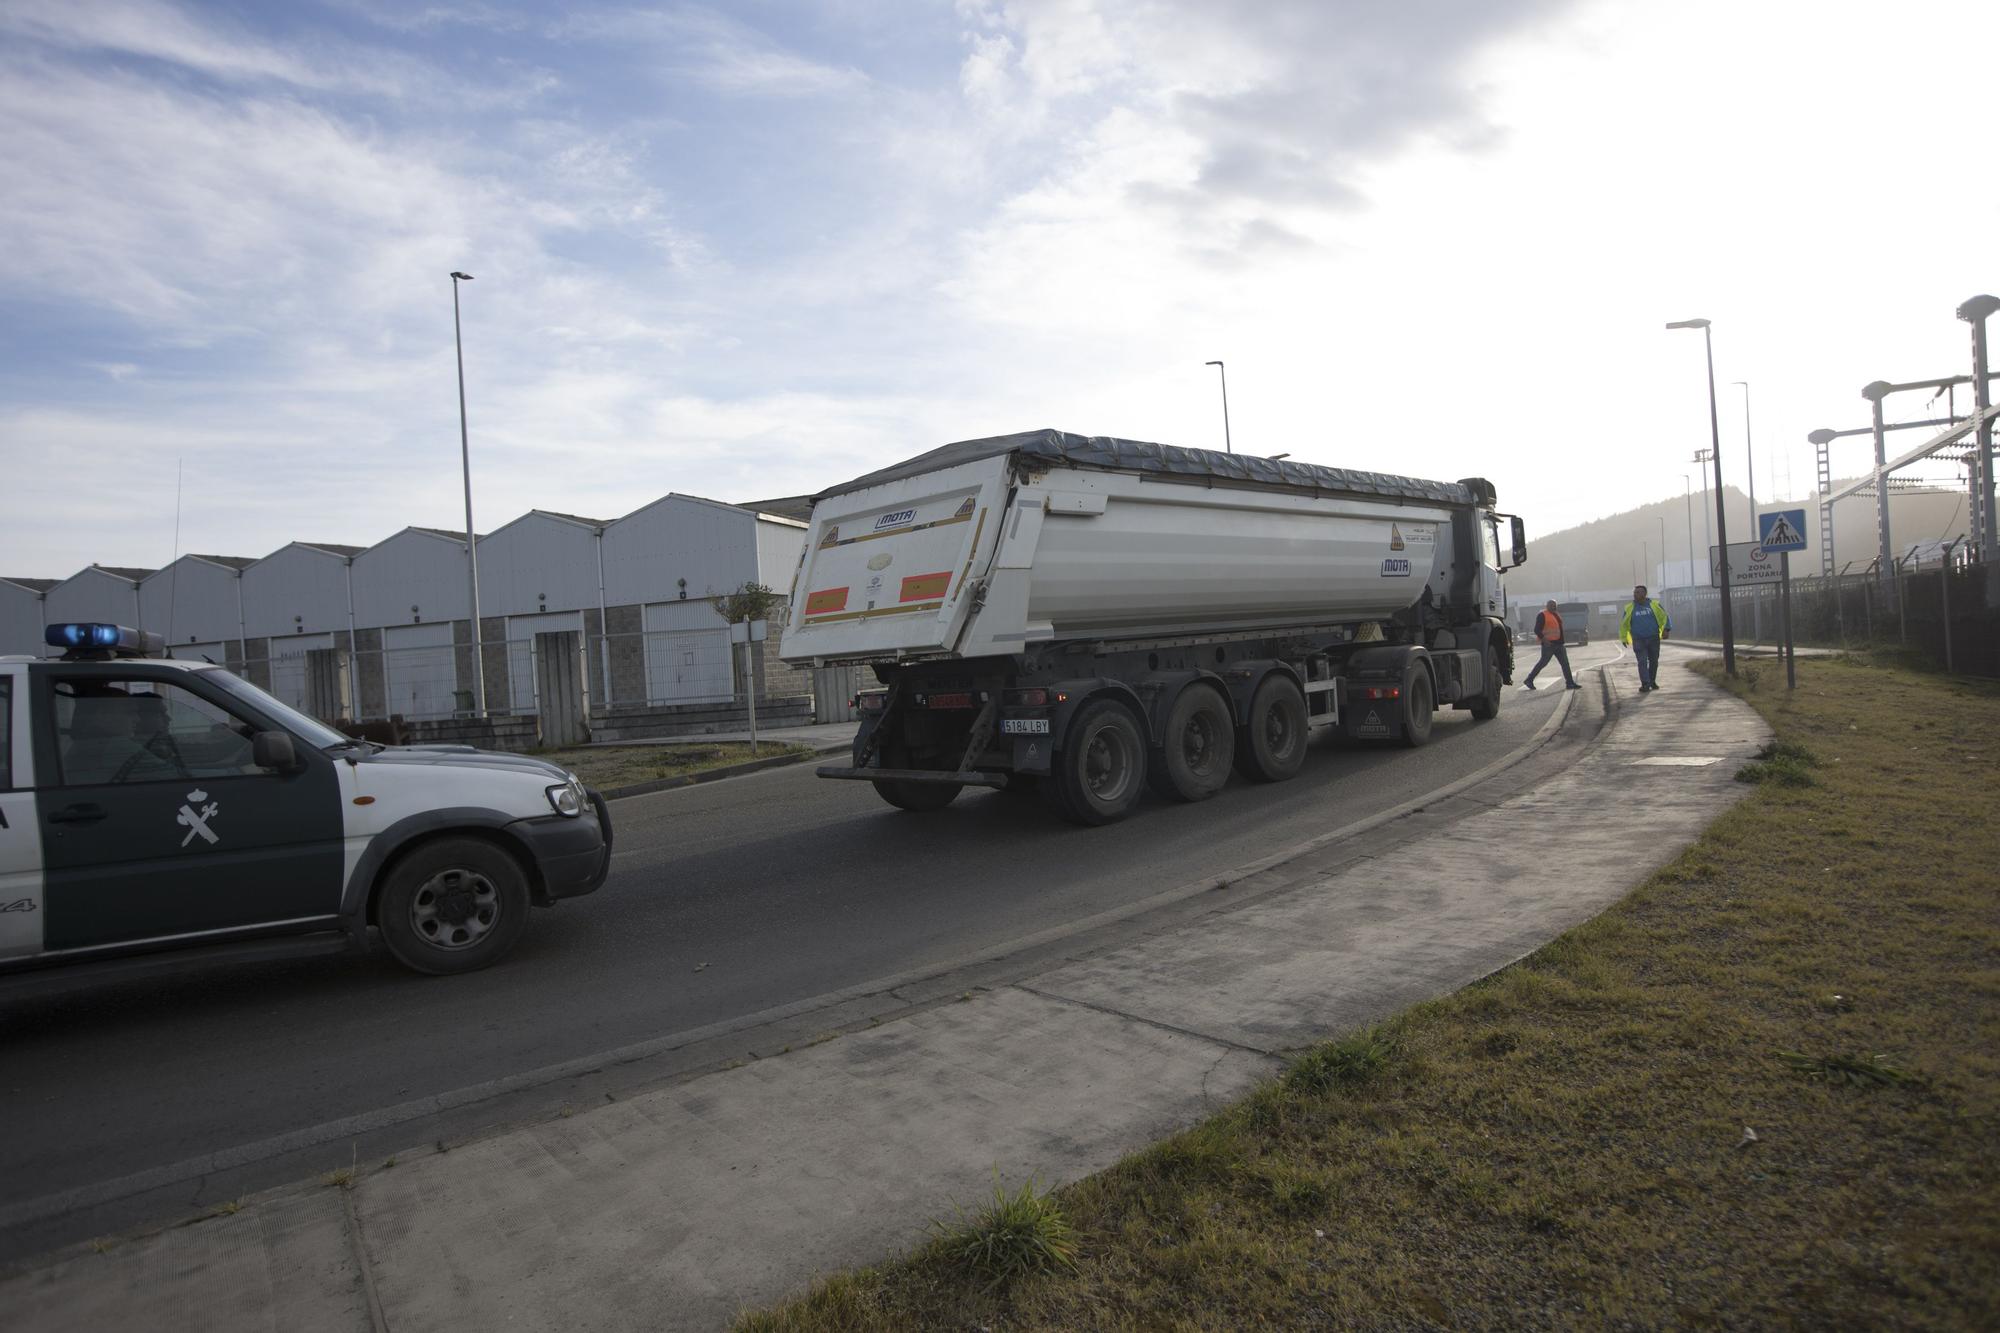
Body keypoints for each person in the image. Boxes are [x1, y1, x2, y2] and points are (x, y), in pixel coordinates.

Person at [1521, 599, 1583, 691]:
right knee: (1543, 663)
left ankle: (1570, 683)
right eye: (1551, 605)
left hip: (1559, 644)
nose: (1554, 607)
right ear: (1547, 606)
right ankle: (1529, 680)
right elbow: (1537, 630)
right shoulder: (1542, 615)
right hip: (1549, 645)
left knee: (1565, 664)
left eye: (1555, 605)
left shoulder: (1556, 614)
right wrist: (1544, 640)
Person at [1620, 585, 1672, 692]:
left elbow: (1665, 617)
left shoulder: (1655, 605)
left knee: (1654, 661)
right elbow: (1624, 624)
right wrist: (1624, 638)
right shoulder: (1629, 608)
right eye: (1635, 592)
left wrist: (1666, 629)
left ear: (1644, 594)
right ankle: (1645, 683)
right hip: (1638, 639)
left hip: (1653, 638)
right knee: (1642, 661)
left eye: (1638, 592)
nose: (1635, 594)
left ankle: (1652, 681)